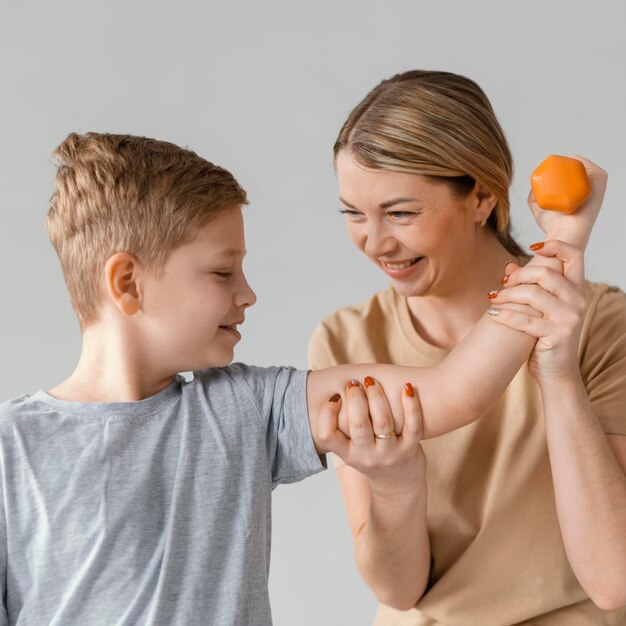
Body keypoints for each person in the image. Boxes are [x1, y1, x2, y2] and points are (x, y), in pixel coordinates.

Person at [0, 131, 602, 626]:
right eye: (221, 272)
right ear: (127, 284)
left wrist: (561, 245)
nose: (248, 293)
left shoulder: (247, 407)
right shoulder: (11, 450)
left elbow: (452, 391)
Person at [309, 70, 626, 625]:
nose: (375, 242)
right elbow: (399, 590)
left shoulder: (604, 324)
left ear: (481, 197)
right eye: (354, 214)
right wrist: (393, 483)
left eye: (401, 213)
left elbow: (614, 579)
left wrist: (557, 374)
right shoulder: (345, 340)